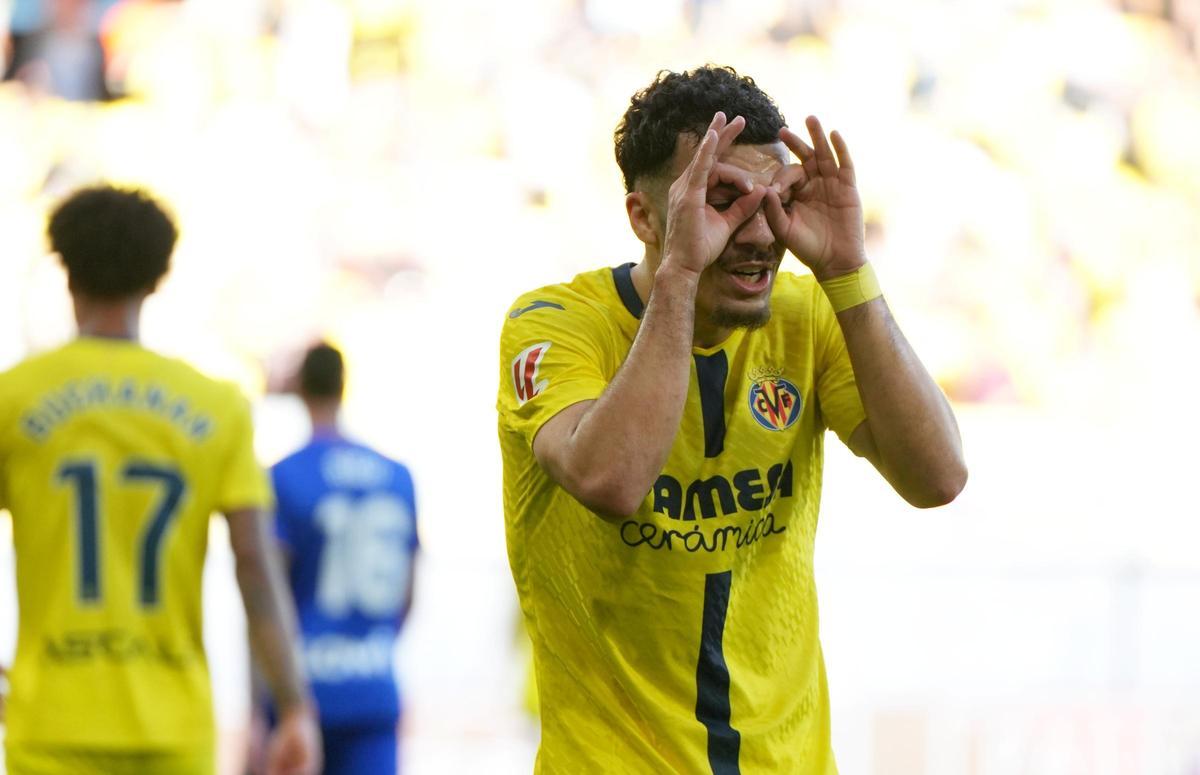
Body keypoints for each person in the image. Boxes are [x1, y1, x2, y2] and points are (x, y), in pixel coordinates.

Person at [496, 65, 967, 772]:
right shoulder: (556, 325)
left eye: (775, 201)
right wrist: (683, 274)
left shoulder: (808, 318)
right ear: (644, 217)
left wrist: (848, 270)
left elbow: (938, 477)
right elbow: (612, 477)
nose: (757, 233)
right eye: (722, 201)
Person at [0, 185, 321, 775]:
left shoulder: (13, 398)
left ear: (67, 278)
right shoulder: (216, 405)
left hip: (50, 722)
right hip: (173, 728)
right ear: (155, 282)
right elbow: (254, 560)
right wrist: (295, 706)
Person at [266, 343, 418, 775]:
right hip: (373, 687)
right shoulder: (397, 476)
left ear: (300, 388)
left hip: (301, 692)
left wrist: (262, 703)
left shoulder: (284, 476)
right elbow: (407, 594)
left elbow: (266, 593)